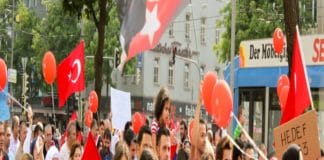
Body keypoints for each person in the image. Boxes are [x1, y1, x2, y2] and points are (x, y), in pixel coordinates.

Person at [151, 87, 171, 152]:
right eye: (166, 109)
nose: (168, 113)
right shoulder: (155, 124)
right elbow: (153, 150)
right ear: (160, 108)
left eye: (169, 110)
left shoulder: (166, 128)